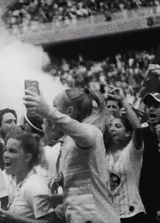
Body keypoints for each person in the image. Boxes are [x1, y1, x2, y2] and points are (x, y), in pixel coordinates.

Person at [24, 87, 120, 223]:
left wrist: (47, 110)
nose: (52, 109)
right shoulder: (69, 139)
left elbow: (85, 135)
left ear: (69, 111)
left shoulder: (92, 131)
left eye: (55, 106)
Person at [104, 88, 146, 222]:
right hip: (113, 216)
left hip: (134, 215)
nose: (112, 128)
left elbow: (138, 128)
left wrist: (123, 100)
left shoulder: (133, 151)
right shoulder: (106, 153)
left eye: (117, 126)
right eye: (111, 126)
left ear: (128, 133)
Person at [0, 132, 58, 223]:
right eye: (5, 150)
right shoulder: (10, 179)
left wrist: (14, 219)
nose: (6, 155)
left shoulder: (35, 186)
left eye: (12, 151)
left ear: (27, 157)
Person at [139, 92, 160, 222]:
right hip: (144, 203)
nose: (151, 108)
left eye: (156, 105)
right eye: (149, 106)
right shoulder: (141, 134)